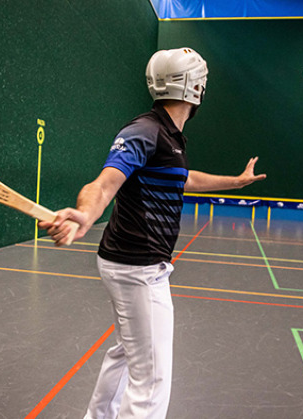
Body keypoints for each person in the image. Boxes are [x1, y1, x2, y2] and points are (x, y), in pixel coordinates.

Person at [39, 47, 266, 418]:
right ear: (196, 89)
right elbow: (104, 183)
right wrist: (84, 213)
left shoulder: (168, 135)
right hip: (138, 269)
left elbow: (185, 178)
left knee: (128, 351)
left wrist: (236, 181)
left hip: (124, 262)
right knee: (152, 380)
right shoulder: (145, 131)